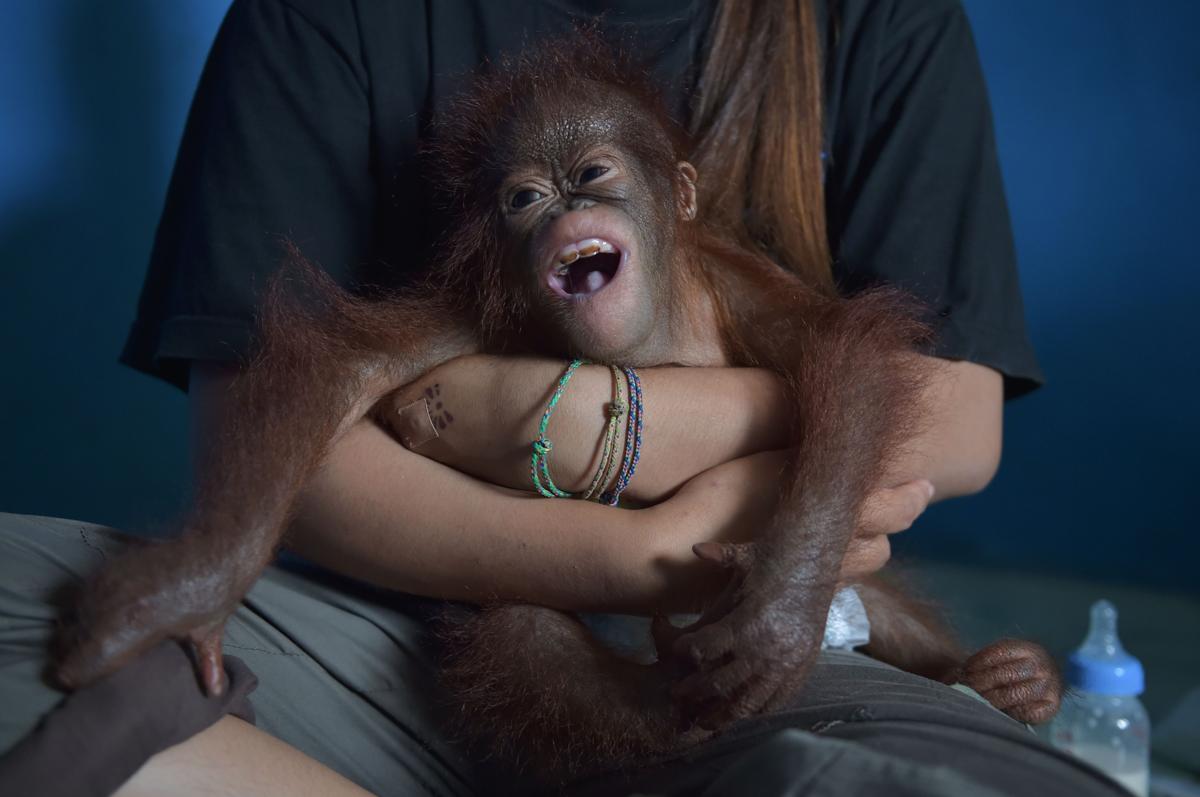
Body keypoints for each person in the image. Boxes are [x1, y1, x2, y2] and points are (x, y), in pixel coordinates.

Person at [2, 1, 1123, 795]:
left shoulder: (851, 61)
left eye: (590, 182)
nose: (559, 211)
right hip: (443, 624)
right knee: (512, 643)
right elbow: (316, 380)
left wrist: (618, 451)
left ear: (675, 199)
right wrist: (212, 560)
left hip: (768, 614)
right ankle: (641, 748)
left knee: (909, 702)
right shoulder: (461, 247)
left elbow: (907, 393)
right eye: (526, 200)